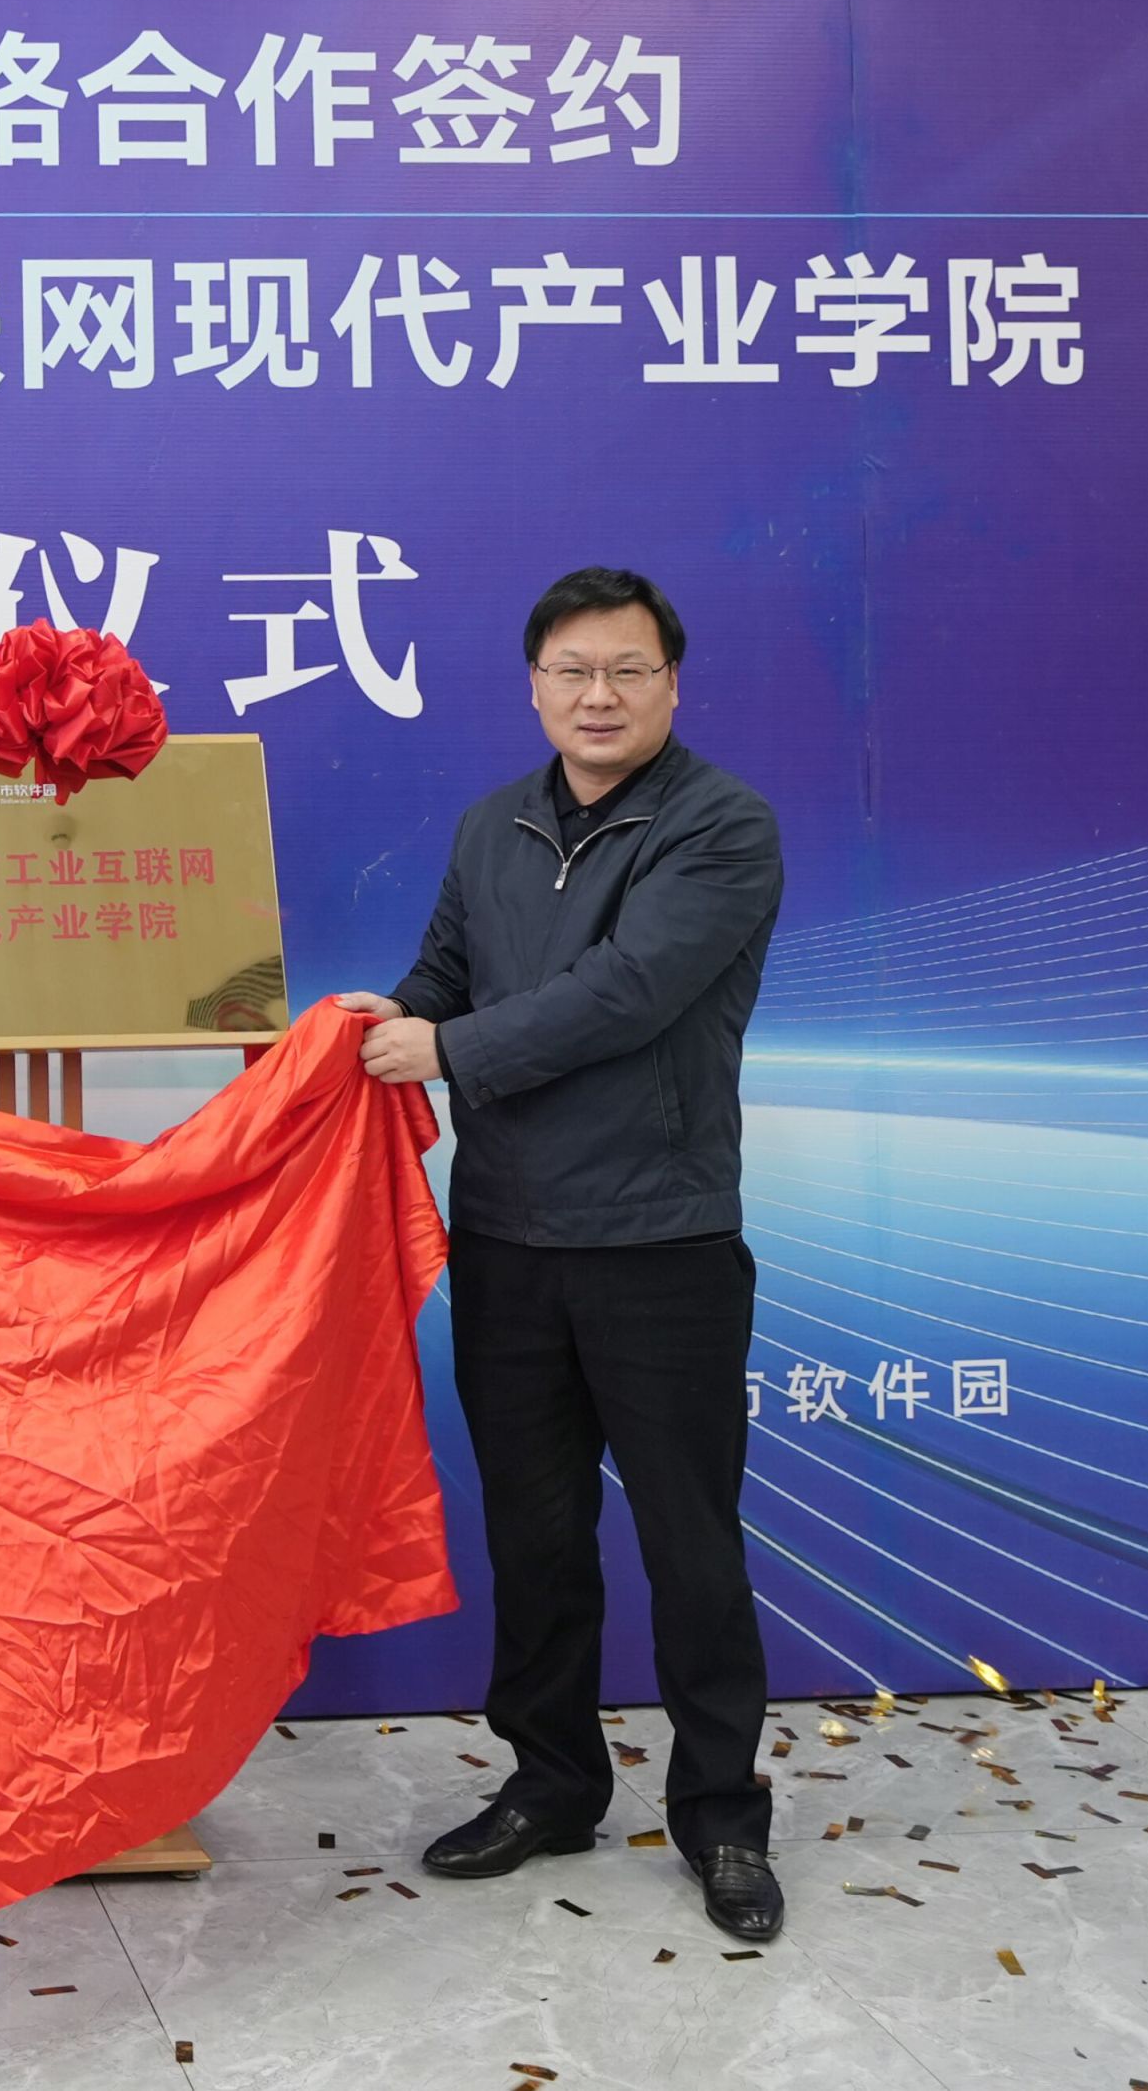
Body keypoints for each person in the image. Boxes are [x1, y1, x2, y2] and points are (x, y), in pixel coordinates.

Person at [335, 564, 791, 1945]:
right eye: (573, 671)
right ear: (535, 685)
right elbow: (443, 976)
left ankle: (722, 1815)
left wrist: (448, 1048)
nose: (600, 695)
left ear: (672, 686)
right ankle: (551, 1782)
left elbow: (628, 993)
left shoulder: (721, 827)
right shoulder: (494, 826)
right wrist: (377, 1021)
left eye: (628, 670)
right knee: (534, 1538)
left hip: (661, 1241)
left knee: (690, 1545)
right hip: (509, 1241)